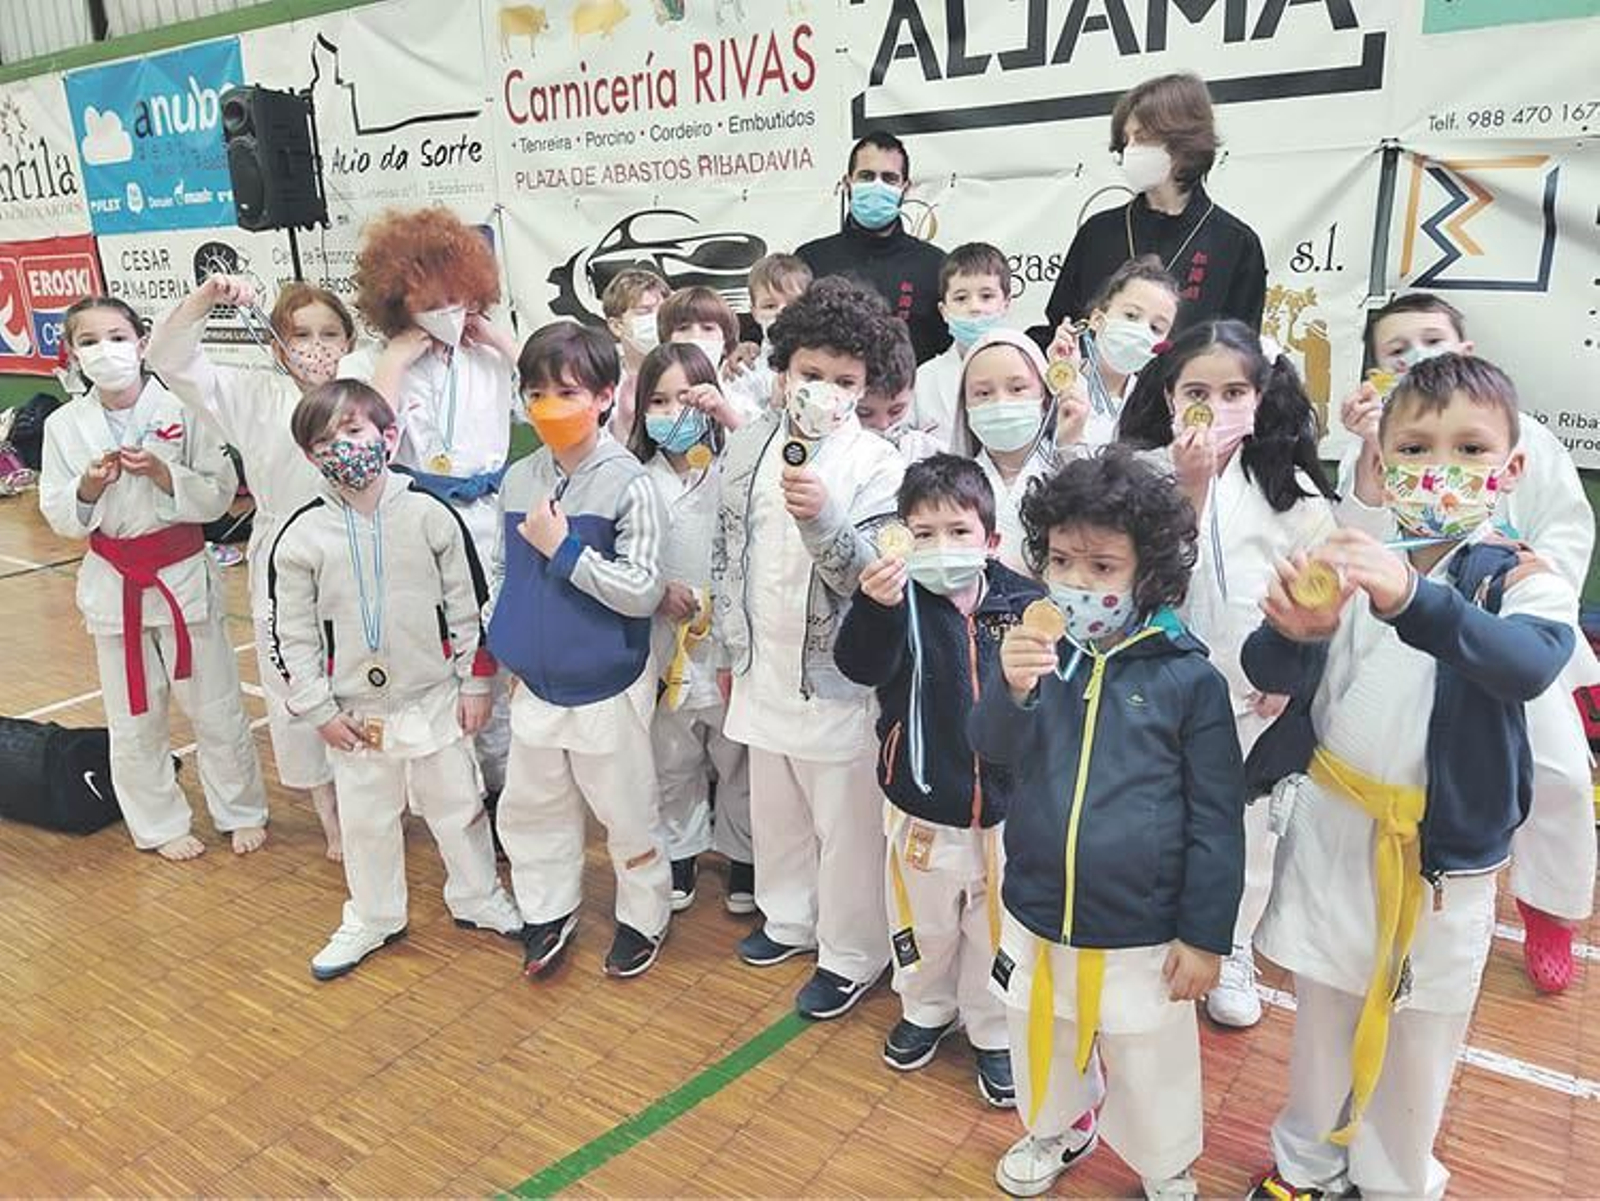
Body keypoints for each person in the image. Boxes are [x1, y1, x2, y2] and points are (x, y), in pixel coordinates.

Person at [1244, 354, 1579, 1201]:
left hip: (1439, 858)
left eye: (1471, 450)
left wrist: (1414, 602)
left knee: (1420, 1032)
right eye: (1419, 446)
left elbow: (1531, 663)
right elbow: (1267, 665)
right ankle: (1305, 1164)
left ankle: (1395, 1181)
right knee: (1322, 1013)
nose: (1443, 467)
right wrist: (1301, 631)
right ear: (1382, 461)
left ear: (1509, 471)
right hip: (1339, 825)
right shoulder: (1350, 556)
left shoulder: (1519, 573)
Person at [971, 447, 1244, 1200]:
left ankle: (1165, 1161)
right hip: (1035, 904)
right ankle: (1055, 1127)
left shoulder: (1188, 677)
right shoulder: (1039, 654)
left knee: (1150, 1052)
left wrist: (1204, 934)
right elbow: (991, 747)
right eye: (1061, 560)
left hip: (1143, 927)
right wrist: (1011, 686)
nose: (1076, 582)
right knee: (1040, 1032)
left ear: (1147, 575)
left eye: (1101, 566)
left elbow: (1218, 819)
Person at [1338, 293, 1598, 994]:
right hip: (1406, 627)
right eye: (1398, 350)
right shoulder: (1381, 434)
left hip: (1507, 627)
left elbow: (1567, 528)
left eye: (1433, 340)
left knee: (1563, 775)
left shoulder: (1527, 436)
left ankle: (1550, 907)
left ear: (1469, 349)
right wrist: (1367, 446)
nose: (1418, 357)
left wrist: (1533, 579)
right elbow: (1357, 524)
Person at [1117, 319, 1338, 1027]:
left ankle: (1232, 942)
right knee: (1160, 817)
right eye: (1197, 391)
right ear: (1171, 396)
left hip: (1253, 698)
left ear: (1260, 394)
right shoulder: (1145, 473)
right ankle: (1156, 929)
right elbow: (1147, 585)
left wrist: (1293, 671)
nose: (1214, 405)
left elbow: (1323, 595)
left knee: (1246, 830)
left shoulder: (1292, 490)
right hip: (1158, 691)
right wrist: (1189, 486)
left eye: (1233, 390)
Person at [269, 380, 522, 979]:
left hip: (434, 696)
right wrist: (317, 708)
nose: (342, 448)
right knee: (366, 820)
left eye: (354, 432)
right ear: (310, 456)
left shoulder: (431, 514)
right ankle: (374, 914)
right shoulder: (301, 535)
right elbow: (293, 634)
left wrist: (475, 683)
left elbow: (469, 606)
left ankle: (478, 896)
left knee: (458, 806)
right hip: (356, 710)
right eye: (325, 440)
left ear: (388, 436)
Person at [712, 276, 905, 1019]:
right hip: (763, 665)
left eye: (845, 381)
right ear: (783, 367)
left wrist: (824, 517)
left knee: (845, 825)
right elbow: (728, 551)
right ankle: (788, 918)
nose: (825, 390)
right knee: (778, 809)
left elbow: (875, 575)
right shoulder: (749, 443)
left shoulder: (878, 464)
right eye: (811, 374)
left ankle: (852, 951)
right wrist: (732, 652)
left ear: (865, 387)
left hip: (836, 681)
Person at [835, 454, 1043, 1108]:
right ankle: (924, 1008)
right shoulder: (896, 603)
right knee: (923, 924)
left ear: (991, 540)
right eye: (922, 532)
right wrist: (874, 608)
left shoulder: (1024, 604)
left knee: (995, 929)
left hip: (1008, 812)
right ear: (900, 538)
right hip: (922, 805)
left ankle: (989, 1028)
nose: (941, 546)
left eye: (958, 531)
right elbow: (858, 666)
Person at [38, 297, 269, 861]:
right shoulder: (63, 425)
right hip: (115, 580)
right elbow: (56, 510)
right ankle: (158, 822)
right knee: (134, 715)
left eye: (116, 336)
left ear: (142, 343)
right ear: (72, 353)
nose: (105, 351)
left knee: (215, 705)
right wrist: (88, 488)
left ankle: (238, 809)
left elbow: (220, 492)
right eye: (89, 341)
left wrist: (166, 473)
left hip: (181, 572)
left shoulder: (184, 407)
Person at [147, 274, 355, 859]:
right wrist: (205, 299)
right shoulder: (253, 396)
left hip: (359, 551)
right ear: (275, 343)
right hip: (282, 556)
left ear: (349, 340)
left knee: (363, 677)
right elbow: (166, 356)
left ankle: (376, 795)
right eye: (302, 334)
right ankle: (330, 815)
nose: (317, 345)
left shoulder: (363, 389)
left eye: (330, 332)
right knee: (294, 683)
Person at [488, 321, 672, 980]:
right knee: (532, 805)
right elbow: (503, 575)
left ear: (603, 394)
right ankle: (547, 906)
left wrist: (564, 550)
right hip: (536, 685)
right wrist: (505, 652)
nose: (548, 406)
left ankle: (644, 914)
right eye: (535, 391)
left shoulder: (631, 483)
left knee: (626, 810)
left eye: (566, 391)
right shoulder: (518, 478)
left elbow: (643, 590)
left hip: (607, 681)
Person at [340, 206, 521, 804]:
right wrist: (393, 363)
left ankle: (504, 792)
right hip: (415, 520)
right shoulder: (368, 364)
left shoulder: (490, 355)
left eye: (458, 297)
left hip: (491, 518)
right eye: (430, 300)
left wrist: (502, 341)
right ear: (398, 300)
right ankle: (452, 793)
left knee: (497, 659)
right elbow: (360, 438)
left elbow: (562, 384)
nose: (447, 311)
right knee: (440, 663)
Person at [628, 342, 754, 915]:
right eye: (659, 400)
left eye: (687, 397)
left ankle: (743, 854)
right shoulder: (636, 479)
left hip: (729, 637)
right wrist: (655, 594)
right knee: (672, 757)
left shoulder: (736, 466)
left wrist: (732, 418)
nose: (673, 411)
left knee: (737, 756)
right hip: (664, 642)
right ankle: (679, 848)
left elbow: (776, 467)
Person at [1039, 73, 1265, 341]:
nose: (1130, 150)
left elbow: (1241, 352)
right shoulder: (1098, 233)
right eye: (1127, 140)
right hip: (1095, 382)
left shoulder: (1235, 243)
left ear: (1185, 143)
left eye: (1142, 138)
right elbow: (1062, 324)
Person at [797, 131, 948, 364]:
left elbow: (951, 351)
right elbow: (782, 336)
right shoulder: (809, 259)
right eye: (867, 176)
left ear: (905, 189)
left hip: (911, 398)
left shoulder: (935, 266)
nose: (877, 186)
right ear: (848, 183)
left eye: (889, 179)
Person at [949, 329, 1088, 574]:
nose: (1001, 403)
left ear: (1045, 396)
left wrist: (1069, 447)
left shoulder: (1071, 465)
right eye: (983, 393)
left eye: (1017, 388)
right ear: (965, 405)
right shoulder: (952, 485)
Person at [1044, 255, 1180, 451]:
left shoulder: (1153, 410)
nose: (1141, 332)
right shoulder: (1051, 384)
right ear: (1098, 319)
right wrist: (1064, 383)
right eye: (1131, 315)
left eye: (1156, 328)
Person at [915, 243, 1014, 447]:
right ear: (943, 311)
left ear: (1006, 304)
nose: (975, 307)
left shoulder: (1032, 371)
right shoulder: (923, 380)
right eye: (961, 298)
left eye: (986, 296)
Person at [723, 253, 813, 415]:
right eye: (770, 306)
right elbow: (739, 431)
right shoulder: (743, 370)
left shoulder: (830, 361)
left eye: (793, 304)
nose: (782, 312)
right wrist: (775, 409)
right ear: (755, 312)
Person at [856, 321, 942, 464]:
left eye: (896, 410)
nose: (883, 425)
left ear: (913, 391)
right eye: (864, 413)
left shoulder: (928, 452)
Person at [601, 267, 672, 438]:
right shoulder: (602, 381)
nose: (657, 319)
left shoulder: (688, 367)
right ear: (617, 326)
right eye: (644, 311)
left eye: (663, 311)